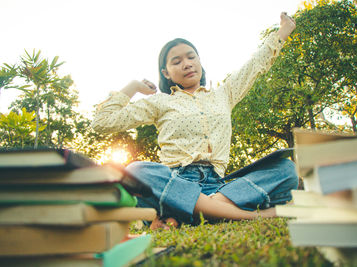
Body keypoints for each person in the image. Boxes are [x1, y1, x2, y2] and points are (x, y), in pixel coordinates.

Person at [92, 12, 298, 229]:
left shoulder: (224, 94)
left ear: (200, 61)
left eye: (191, 57)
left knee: (286, 169)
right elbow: (102, 122)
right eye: (177, 61)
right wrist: (134, 86)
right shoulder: (160, 102)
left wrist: (282, 32)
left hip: (219, 187)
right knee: (136, 172)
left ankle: (191, 213)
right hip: (176, 184)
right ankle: (249, 216)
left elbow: (254, 65)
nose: (187, 64)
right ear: (166, 72)